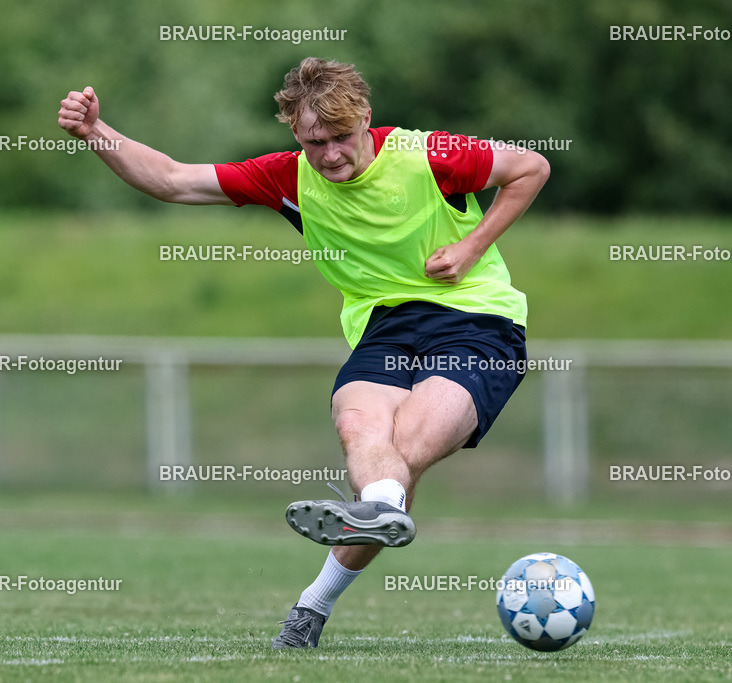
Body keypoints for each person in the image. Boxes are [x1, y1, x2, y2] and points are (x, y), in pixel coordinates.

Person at [58, 57, 549, 649]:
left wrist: (472, 247)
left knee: (408, 446)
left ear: (366, 119)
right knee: (359, 430)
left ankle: (313, 603)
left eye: (343, 137)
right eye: (316, 142)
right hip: (384, 329)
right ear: (295, 131)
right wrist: (96, 134)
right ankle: (383, 510)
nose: (332, 154)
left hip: (478, 322)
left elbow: (531, 167)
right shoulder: (287, 176)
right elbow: (170, 179)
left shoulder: (431, 154)